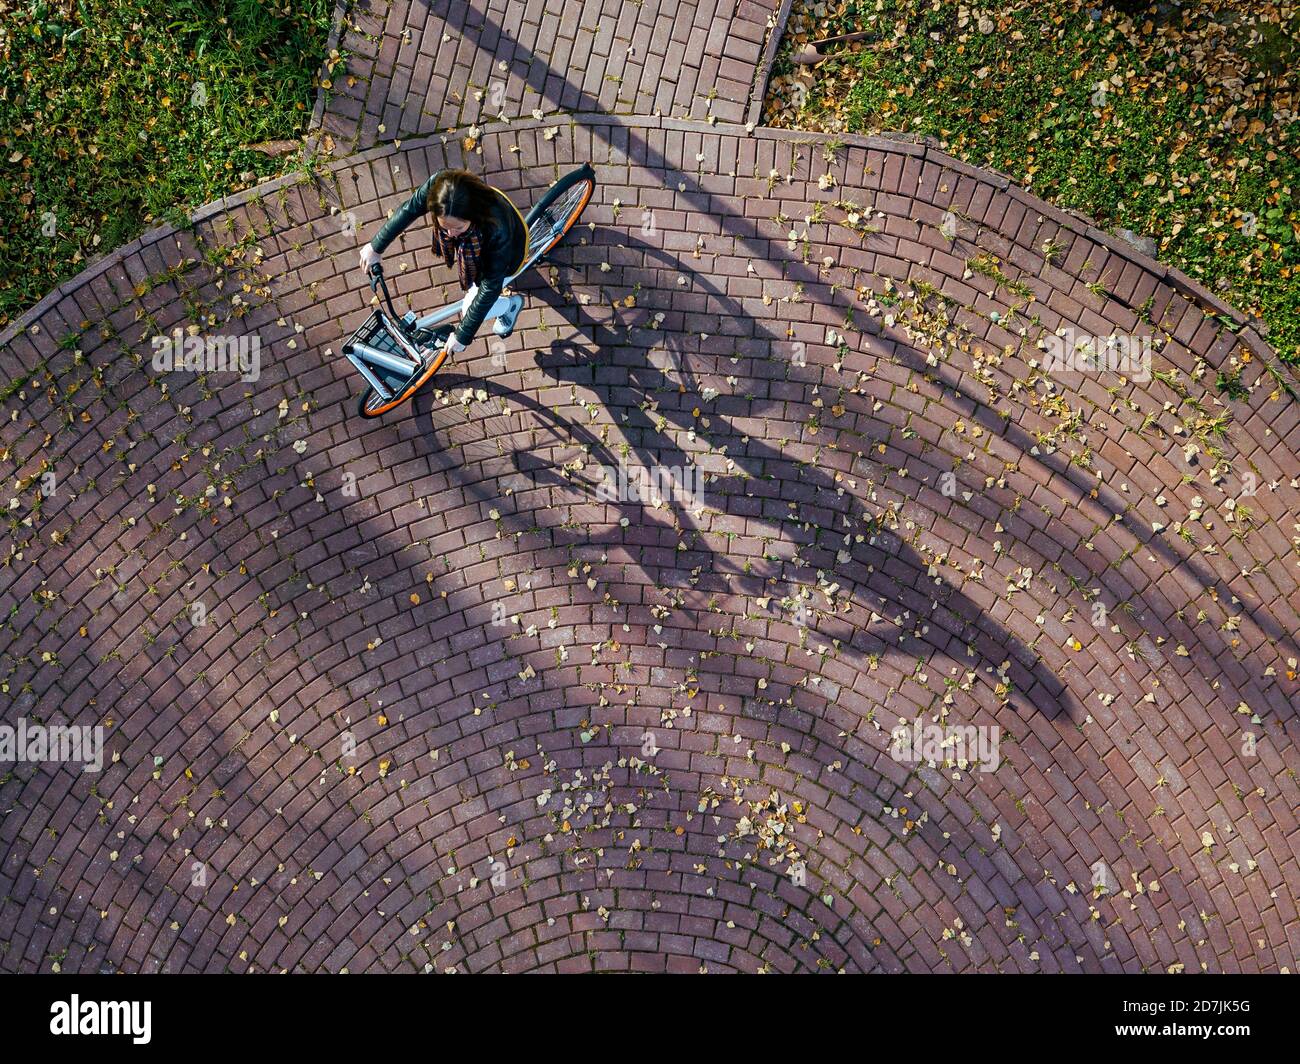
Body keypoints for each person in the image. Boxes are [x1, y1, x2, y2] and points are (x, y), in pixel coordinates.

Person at [358, 168, 527, 353]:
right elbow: (410, 208)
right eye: (444, 226)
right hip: (490, 215)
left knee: (470, 306)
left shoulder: (497, 231)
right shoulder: (440, 187)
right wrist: (375, 247)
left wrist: (463, 334)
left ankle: (510, 306)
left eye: (458, 228)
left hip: (510, 253)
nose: (450, 234)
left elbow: (490, 287)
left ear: (474, 215)